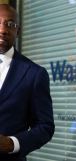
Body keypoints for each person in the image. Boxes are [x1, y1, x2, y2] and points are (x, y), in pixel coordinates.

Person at [0, 4, 54, 161]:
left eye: (10, 24)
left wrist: (12, 143)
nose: (3, 30)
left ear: (18, 31)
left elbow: (45, 127)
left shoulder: (35, 74)